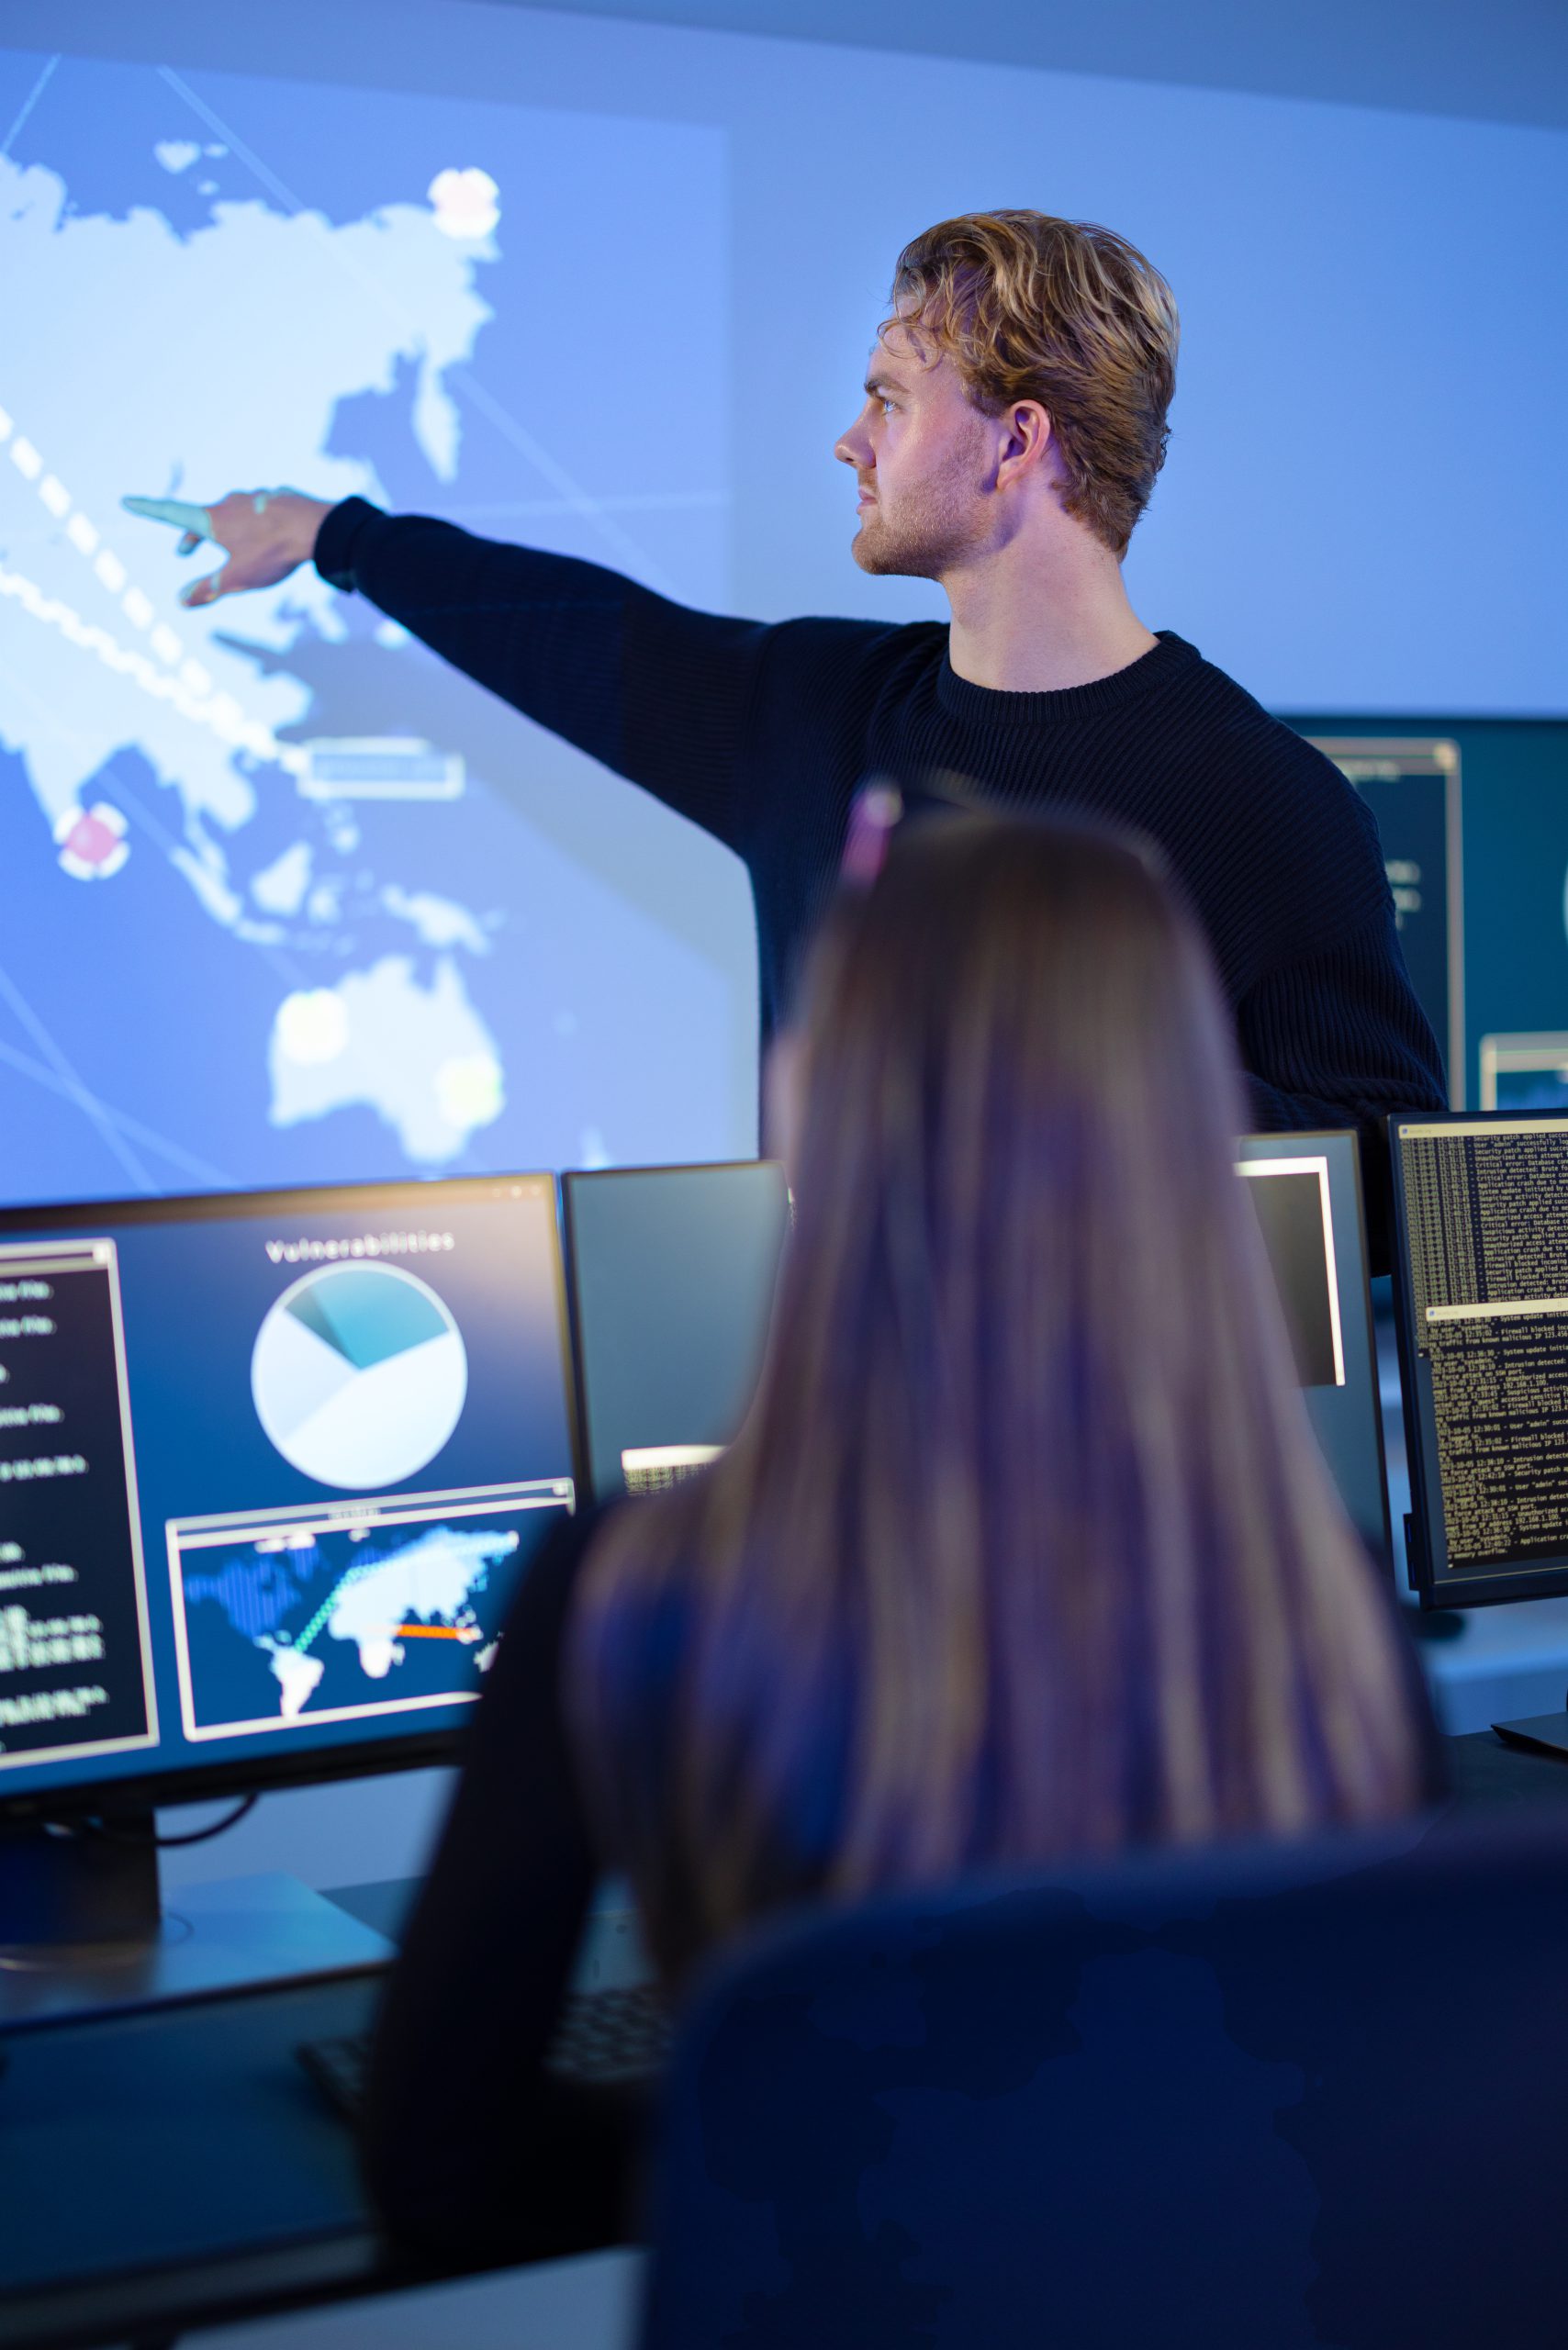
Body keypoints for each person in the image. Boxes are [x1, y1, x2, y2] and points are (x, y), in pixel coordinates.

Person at [360, 811, 1438, 2258]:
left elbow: (439, 2169)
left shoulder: (636, 1593)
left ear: (833, 1105)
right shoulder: (1324, 1606)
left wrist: (794, 2152)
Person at [127, 209, 1446, 1260]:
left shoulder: (1267, 800)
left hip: (1122, 1507)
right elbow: (589, 635)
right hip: (849, 1474)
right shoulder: (821, 719)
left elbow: (1389, 1185)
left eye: (889, 399)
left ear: (1014, 445)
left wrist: (1081, 1090)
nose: (847, 441)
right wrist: (334, 537)